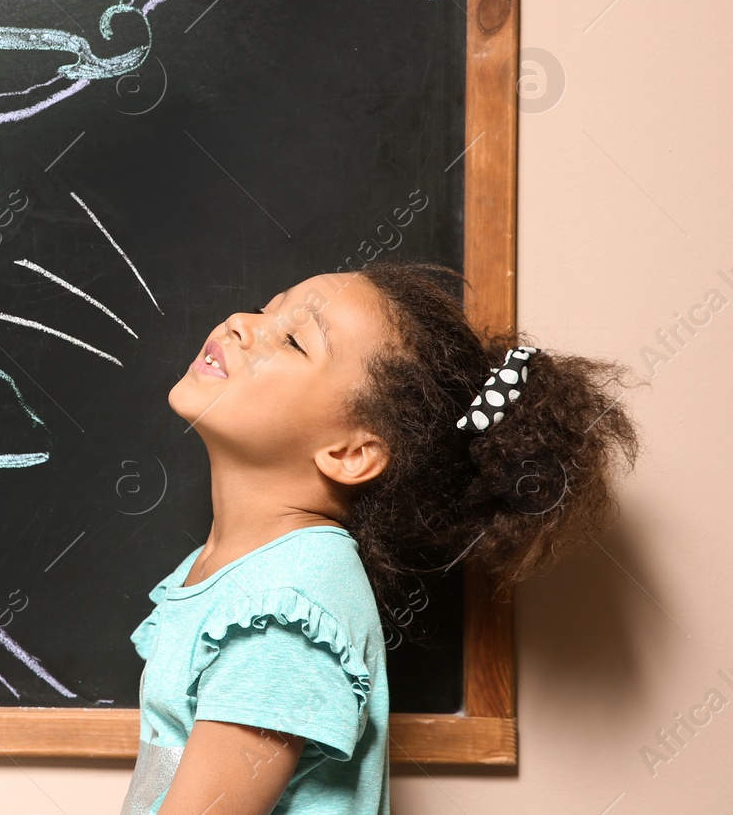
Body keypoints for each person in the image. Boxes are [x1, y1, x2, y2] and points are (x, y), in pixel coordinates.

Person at [120, 261, 640, 815]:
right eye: (269, 307)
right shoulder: (243, 571)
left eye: (294, 341)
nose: (241, 324)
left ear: (349, 453)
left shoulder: (284, 609)